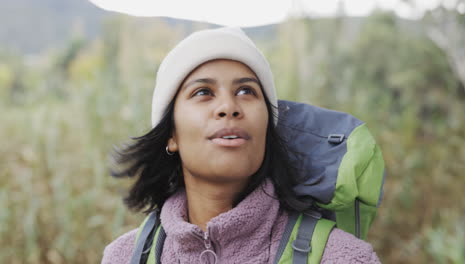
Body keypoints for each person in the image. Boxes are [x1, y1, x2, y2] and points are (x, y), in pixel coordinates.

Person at [101, 26, 380, 264]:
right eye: (203, 92)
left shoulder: (341, 257)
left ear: (267, 127)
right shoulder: (123, 257)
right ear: (171, 134)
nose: (228, 106)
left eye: (246, 91)